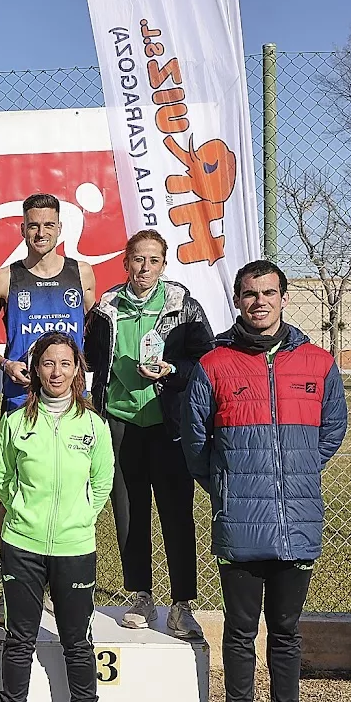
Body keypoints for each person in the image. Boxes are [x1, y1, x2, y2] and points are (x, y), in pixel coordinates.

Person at [181, 260, 348, 702]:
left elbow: (332, 429)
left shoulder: (318, 363)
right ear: (237, 299)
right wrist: (231, 485)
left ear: (284, 297)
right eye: (249, 294)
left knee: (286, 630)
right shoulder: (214, 364)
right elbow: (195, 444)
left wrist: (292, 474)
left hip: (296, 519)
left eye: (269, 293)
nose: (259, 302)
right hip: (240, 522)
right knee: (238, 630)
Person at [0, 331, 113, 702]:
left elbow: (101, 483)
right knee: (20, 637)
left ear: (78, 369)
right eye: (47, 363)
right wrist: (24, 513)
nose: (56, 372)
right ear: (35, 369)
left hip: (75, 546)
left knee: (77, 641)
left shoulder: (93, 425)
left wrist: (79, 517)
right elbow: (2, 476)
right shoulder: (16, 421)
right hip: (22, 544)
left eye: (65, 363)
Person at [84, 230, 214, 635]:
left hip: (168, 422)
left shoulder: (183, 306)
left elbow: (205, 359)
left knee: (177, 514)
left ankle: (181, 603)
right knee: (129, 512)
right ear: (126, 262)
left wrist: (171, 370)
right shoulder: (106, 308)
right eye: (138, 259)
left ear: (163, 264)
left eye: (153, 260)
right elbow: (89, 357)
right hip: (121, 423)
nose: (145, 268)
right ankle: (140, 595)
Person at [0, 193, 96, 413]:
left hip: (71, 394)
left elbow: (94, 329)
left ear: (59, 228)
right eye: (33, 226)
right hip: (22, 394)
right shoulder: (4, 278)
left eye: (49, 225)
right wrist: (5, 364)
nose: (41, 233)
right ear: (22, 230)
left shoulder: (82, 273)